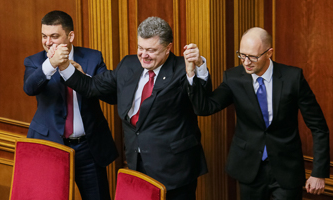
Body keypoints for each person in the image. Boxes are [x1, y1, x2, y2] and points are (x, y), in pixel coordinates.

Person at [50, 16, 208, 200]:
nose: (144, 55)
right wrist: (64, 67)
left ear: (168, 48)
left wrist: (198, 68)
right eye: (140, 48)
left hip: (175, 170)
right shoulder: (129, 64)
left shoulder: (182, 69)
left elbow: (202, 105)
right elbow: (92, 87)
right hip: (137, 164)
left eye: (151, 50)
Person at [185, 27, 330, 200]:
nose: (246, 62)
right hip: (249, 170)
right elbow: (204, 107)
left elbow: (319, 127)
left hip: (286, 170)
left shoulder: (293, 78)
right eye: (242, 55)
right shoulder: (233, 78)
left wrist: (318, 172)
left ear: (269, 53)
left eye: (253, 56)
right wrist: (195, 71)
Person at [23, 10, 118, 200]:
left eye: (54, 36)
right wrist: (51, 64)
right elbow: (29, 88)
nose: (48, 42)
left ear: (71, 36)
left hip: (88, 148)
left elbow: (111, 96)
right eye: (44, 36)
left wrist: (83, 78)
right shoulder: (35, 62)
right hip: (50, 146)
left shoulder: (93, 58)